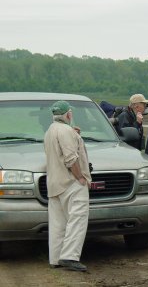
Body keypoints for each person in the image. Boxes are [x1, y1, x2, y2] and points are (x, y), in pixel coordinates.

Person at [43, 100, 91, 272]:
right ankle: (70, 256)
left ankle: (55, 258)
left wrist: (74, 134)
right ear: (68, 114)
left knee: (58, 222)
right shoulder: (66, 131)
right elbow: (71, 158)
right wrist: (81, 178)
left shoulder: (50, 130)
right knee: (77, 219)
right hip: (71, 182)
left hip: (54, 183)